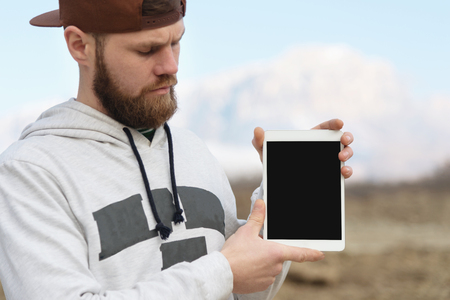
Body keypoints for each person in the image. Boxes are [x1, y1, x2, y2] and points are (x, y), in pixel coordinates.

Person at [0, 0, 354, 299]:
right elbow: (223, 276)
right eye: (146, 49)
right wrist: (221, 272)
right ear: (80, 46)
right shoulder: (30, 172)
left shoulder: (192, 151)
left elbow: (242, 291)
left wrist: (285, 196)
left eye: (176, 43)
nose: (171, 67)